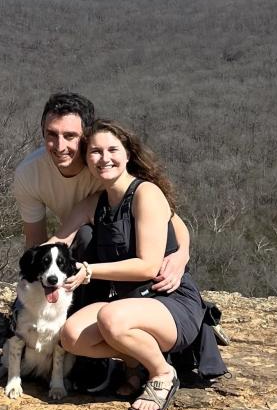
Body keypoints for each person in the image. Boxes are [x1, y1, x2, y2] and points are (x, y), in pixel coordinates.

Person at [46, 119, 217, 410]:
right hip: (128, 304)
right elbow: (58, 240)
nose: (104, 158)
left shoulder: (146, 193)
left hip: (168, 300)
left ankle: (162, 372)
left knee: (111, 318)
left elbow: (148, 266)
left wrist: (89, 270)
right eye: (96, 152)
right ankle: (134, 357)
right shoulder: (94, 203)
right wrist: (32, 267)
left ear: (128, 154)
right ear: (87, 158)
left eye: (113, 149)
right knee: (71, 336)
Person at [14, 92, 191, 294]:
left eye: (70, 136)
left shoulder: (106, 169)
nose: (60, 146)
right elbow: (39, 240)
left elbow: (169, 219)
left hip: (127, 256)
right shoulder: (30, 173)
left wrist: (181, 255)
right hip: (76, 248)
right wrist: (31, 285)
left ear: (86, 137)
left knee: (86, 235)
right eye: (51, 135)